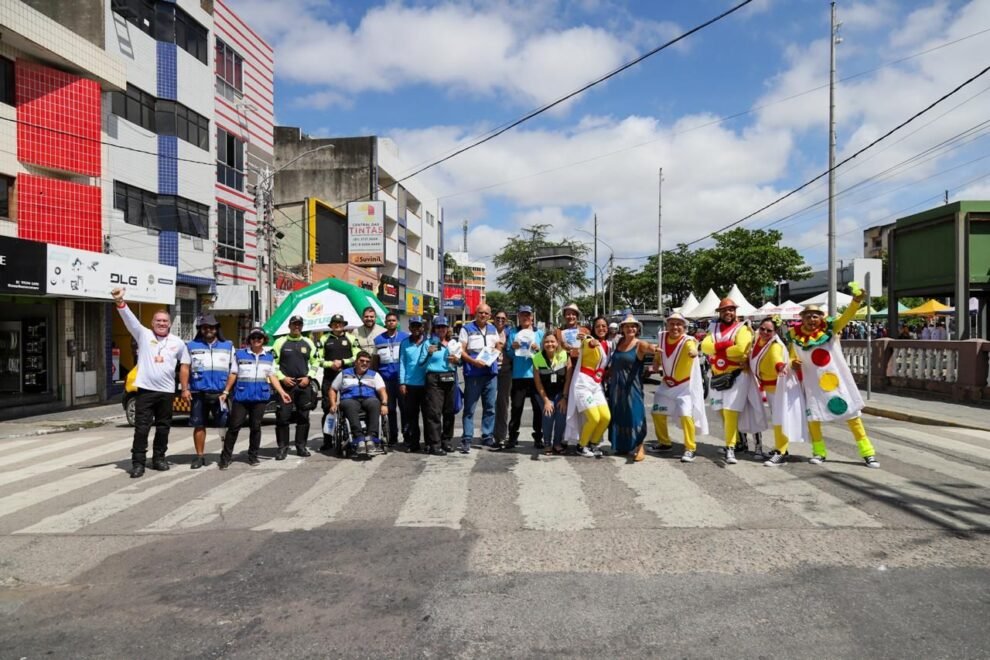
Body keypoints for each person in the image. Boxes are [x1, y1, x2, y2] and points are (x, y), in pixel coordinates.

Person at [786, 291, 880, 468]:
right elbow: (791, 358)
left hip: (836, 384)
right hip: (812, 386)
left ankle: (868, 453)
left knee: (853, 416)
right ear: (802, 319)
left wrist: (856, 301)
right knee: (814, 419)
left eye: (815, 316)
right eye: (807, 316)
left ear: (821, 318)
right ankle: (819, 452)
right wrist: (793, 363)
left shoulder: (830, 329)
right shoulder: (796, 337)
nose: (811, 319)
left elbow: (846, 317)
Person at [112, 287, 191, 478]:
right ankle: (138, 463)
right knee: (142, 428)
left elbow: (185, 366)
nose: (161, 324)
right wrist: (120, 302)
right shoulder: (143, 335)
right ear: (152, 323)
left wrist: (185, 389)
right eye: (158, 321)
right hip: (146, 391)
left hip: (166, 392)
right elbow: (129, 319)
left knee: (163, 427)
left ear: (170, 324)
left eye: (165, 321)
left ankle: (159, 459)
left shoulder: (178, 343)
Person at [217, 325, 292, 468]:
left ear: (264, 340)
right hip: (242, 397)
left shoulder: (269, 357)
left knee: (255, 427)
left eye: (259, 338)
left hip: (260, 398)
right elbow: (233, 374)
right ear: (249, 340)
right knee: (234, 427)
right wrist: (226, 391)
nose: (256, 340)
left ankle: (253, 456)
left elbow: (273, 376)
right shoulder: (240, 355)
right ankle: (225, 457)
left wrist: (282, 392)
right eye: (253, 338)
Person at [701, 298, 755, 465]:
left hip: (736, 375)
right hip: (717, 375)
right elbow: (705, 347)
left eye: (731, 310)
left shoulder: (743, 328)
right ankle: (739, 442)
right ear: (720, 312)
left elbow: (740, 349)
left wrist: (718, 348)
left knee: (731, 411)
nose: (728, 313)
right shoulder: (713, 328)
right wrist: (727, 345)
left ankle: (730, 447)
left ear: (735, 311)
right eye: (725, 310)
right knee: (721, 412)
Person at [651, 313, 708, 463]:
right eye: (672, 324)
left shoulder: (687, 340)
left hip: (684, 386)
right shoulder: (662, 337)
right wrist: (656, 362)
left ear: (684, 327)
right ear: (667, 325)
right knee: (657, 412)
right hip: (666, 383)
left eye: (678, 324)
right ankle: (664, 443)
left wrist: (695, 352)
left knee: (686, 415)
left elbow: (693, 347)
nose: (675, 327)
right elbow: (659, 352)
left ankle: (690, 448)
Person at [186, 314, 235, 469]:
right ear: (200, 329)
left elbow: (233, 371)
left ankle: (224, 455)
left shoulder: (228, 346)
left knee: (224, 425)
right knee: (199, 425)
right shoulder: (191, 346)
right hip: (198, 393)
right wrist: (185, 388)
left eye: (212, 327)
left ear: (216, 329)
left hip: (221, 393)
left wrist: (227, 391)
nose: (208, 330)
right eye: (205, 327)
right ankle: (199, 457)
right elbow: (185, 368)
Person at [609, 314, 658, 461]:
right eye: (627, 326)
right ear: (622, 328)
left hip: (632, 386)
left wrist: (655, 351)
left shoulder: (639, 345)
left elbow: (650, 348)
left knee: (635, 415)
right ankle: (623, 446)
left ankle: (640, 447)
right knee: (619, 414)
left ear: (637, 329)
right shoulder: (618, 343)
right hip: (616, 385)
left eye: (633, 326)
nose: (630, 328)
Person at [271, 315, 318, 460]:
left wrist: (308, 377)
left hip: (303, 385)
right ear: (289, 326)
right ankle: (282, 448)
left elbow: (315, 362)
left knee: (303, 417)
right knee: (282, 418)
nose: (296, 327)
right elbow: (272, 364)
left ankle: (301, 446)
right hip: (286, 386)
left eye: (299, 325)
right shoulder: (280, 342)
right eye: (294, 324)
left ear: (302, 326)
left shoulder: (308, 342)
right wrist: (282, 378)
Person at [459, 304, 503, 452]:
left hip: (490, 374)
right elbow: (462, 351)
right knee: (470, 408)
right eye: (480, 312)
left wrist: (496, 353)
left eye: (486, 313)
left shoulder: (493, 329)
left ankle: (487, 436)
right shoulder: (466, 329)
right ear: (475, 314)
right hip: (473, 374)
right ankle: (467, 438)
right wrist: (473, 362)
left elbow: (498, 345)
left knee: (490, 407)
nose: (483, 315)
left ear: (489, 316)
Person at [562, 324, 611, 457]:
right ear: (593, 330)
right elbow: (585, 342)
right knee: (594, 418)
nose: (601, 328)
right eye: (598, 326)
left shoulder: (609, 344)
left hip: (596, 385)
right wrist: (587, 340)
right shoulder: (589, 341)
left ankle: (593, 444)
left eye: (604, 326)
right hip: (583, 384)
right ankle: (581, 445)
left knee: (606, 417)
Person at [749, 317, 792, 466]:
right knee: (777, 418)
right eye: (762, 329)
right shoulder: (760, 341)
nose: (765, 332)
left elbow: (776, 359)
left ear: (775, 332)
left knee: (779, 419)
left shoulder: (774, 345)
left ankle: (781, 451)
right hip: (768, 387)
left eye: (769, 330)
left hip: (777, 387)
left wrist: (780, 366)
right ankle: (782, 449)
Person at [328, 351, 389, 454]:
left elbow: (382, 391)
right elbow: (332, 389)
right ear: (356, 362)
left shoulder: (374, 375)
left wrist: (384, 404)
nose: (364, 363)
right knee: (349, 405)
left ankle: (371, 439)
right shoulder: (344, 373)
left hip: (369, 399)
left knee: (375, 403)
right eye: (362, 361)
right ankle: (359, 438)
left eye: (367, 362)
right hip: (349, 399)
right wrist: (333, 404)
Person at [504, 305, 544, 450]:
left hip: (535, 376)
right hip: (518, 376)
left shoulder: (539, 333)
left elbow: (544, 356)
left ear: (532, 317)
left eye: (528, 315)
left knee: (538, 408)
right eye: (522, 315)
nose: (525, 317)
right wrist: (512, 348)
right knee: (516, 408)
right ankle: (513, 436)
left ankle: (538, 437)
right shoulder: (513, 333)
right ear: (518, 317)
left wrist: (538, 350)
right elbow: (508, 354)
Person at [319, 314, 358, 453]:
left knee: (349, 406)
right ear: (331, 325)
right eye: (335, 323)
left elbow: (357, 356)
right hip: (329, 377)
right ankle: (327, 440)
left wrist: (343, 362)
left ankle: (350, 437)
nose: (337, 325)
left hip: (348, 378)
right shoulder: (323, 339)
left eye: (340, 323)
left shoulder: (351, 338)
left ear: (344, 324)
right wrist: (331, 364)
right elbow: (318, 359)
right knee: (328, 409)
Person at [423, 317, 460, 455]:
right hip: (434, 378)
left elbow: (459, 362)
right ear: (434, 329)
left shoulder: (453, 343)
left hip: (450, 377)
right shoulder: (428, 343)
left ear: (447, 328)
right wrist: (428, 353)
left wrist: (457, 360)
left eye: (443, 327)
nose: (441, 330)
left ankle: (447, 441)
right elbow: (421, 363)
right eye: (438, 327)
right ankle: (434, 444)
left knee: (449, 412)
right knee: (434, 412)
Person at [373, 312, 409, 446]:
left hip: (401, 378)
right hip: (386, 379)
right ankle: (393, 436)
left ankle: (407, 435)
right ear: (385, 323)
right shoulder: (378, 340)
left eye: (393, 320)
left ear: (397, 323)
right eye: (388, 321)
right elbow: (375, 361)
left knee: (405, 408)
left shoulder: (405, 337)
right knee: (391, 409)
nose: (391, 323)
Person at [532, 333, 570, 455]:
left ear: (557, 343)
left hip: (560, 392)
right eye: (547, 342)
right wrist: (546, 401)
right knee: (548, 414)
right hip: (544, 393)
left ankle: (557, 443)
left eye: (552, 341)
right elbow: (538, 383)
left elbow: (568, 378)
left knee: (561, 414)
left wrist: (564, 397)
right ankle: (547, 443)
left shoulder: (564, 355)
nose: (550, 344)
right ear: (543, 344)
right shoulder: (537, 357)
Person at [398, 316, 429, 452]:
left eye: (419, 326)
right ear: (410, 328)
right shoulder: (404, 343)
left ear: (423, 328)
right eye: (414, 326)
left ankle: (429, 443)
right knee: (411, 416)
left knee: (428, 416)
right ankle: (413, 443)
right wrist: (402, 383)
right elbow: (402, 364)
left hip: (427, 385)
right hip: (410, 385)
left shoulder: (429, 342)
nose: (416, 329)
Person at [492, 310, 513, 449]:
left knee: (503, 404)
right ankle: (488, 434)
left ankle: (501, 436)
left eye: (503, 319)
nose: (500, 320)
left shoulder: (510, 333)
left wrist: (505, 347)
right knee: (489, 404)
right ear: (494, 319)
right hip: (490, 371)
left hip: (506, 371)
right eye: (498, 318)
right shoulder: (488, 331)